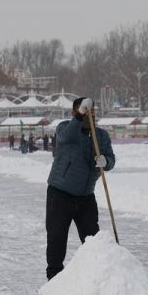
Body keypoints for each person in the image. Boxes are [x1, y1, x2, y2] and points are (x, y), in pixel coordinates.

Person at [45, 97, 115, 280]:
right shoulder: (65, 128)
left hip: (86, 196)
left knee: (93, 240)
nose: (89, 115)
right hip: (60, 194)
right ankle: (54, 280)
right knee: (57, 238)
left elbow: (111, 159)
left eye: (92, 112)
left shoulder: (102, 135)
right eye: (85, 112)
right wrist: (79, 116)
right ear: (74, 113)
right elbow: (66, 137)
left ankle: (95, 281)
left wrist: (105, 162)